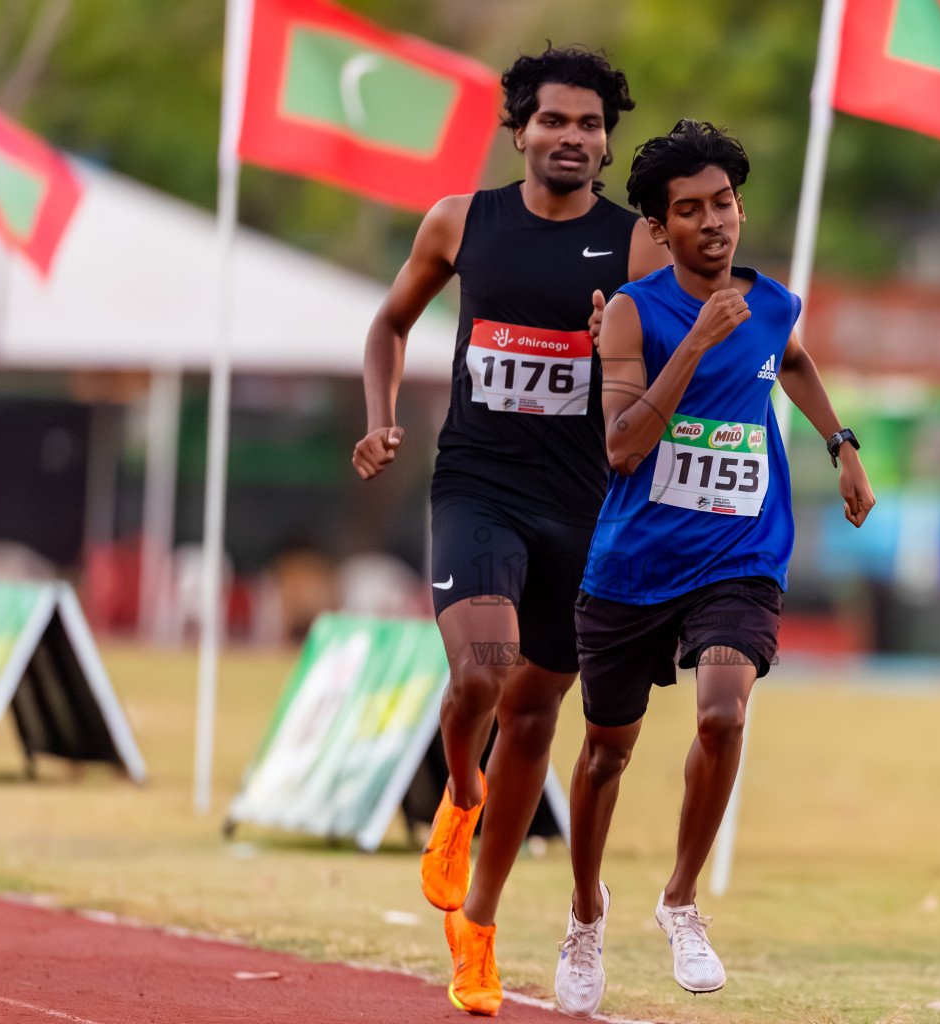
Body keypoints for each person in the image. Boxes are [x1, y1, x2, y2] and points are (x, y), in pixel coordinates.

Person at [351, 47, 669, 1017]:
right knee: (481, 675)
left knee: (532, 718)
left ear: (606, 143)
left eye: (590, 125)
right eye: (554, 120)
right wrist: (380, 418)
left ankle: (479, 928)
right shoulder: (460, 222)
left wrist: (623, 341)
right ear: (519, 129)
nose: (573, 137)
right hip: (478, 487)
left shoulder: (639, 246)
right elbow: (389, 324)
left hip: (585, 505)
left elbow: (675, 370)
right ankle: (459, 796)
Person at [551, 120, 874, 1018]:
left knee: (724, 715)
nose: (714, 221)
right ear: (659, 227)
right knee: (606, 754)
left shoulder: (772, 304)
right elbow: (622, 448)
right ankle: (586, 912)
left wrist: (840, 443)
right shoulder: (632, 312)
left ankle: (681, 899)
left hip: (741, 552)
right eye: (689, 210)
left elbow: (790, 359)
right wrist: (694, 343)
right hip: (633, 562)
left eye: (724, 203)